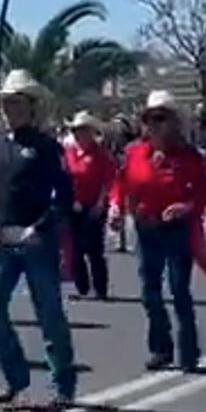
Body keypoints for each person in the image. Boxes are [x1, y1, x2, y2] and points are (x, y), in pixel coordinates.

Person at [0, 70, 78, 409]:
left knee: (49, 314)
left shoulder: (47, 148)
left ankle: (61, 384)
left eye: (18, 102)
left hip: (37, 240)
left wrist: (41, 226)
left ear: (31, 107)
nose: (11, 109)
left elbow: (63, 196)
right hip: (2, 241)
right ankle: (15, 378)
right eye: (7, 102)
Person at [114, 91, 206, 371]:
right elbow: (122, 184)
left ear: (173, 122)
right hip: (147, 227)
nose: (154, 125)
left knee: (179, 290)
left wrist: (185, 206)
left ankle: (189, 350)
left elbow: (204, 191)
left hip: (177, 228)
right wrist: (115, 208)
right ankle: (160, 347)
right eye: (149, 119)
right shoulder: (135, 153)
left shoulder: (189, 155)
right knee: (149, 292)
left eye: (160, 118)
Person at [61, 111, 116, 302]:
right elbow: (64, 178)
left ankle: (101, 288)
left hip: (93, 206)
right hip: (72, 206)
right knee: (74, 249)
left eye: (83, 130)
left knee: (94, 249)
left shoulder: (100, 155)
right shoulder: (68, 153)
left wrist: (101, 203)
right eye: (76, 131)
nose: (78, 134)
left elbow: (108, 181)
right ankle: (81, 286)